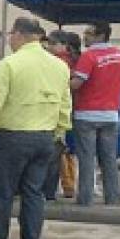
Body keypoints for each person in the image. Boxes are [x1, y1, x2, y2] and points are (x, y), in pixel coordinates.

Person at [0, 18, 71, 239]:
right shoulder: (59, 66)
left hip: (14, 136)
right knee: (33, 194)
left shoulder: (9, 65)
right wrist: (59, 131)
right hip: (45, 137)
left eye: (11, 35)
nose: (10, 39)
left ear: (20, 35)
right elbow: (65, 103)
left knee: (1, 195)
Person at [71, 23, 120, 206]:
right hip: (110, 116)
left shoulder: (89, 56)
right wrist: (112, 88)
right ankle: (113, 199)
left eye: (88, 33)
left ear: (100, 35)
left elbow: (76, 84)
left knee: (87, 161)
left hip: (86, 115)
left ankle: (85, 200)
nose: (84, 37)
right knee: (109, 160)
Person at [42, 30, 79, 200]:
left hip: (56, 113)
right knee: (65, 152)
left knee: (56, 153)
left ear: (62, 45)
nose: (48, 47)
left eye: (52, 43)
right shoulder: (72, 60)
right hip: (68, 111)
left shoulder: (57, 62)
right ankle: (67, 186)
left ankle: (53, 189)